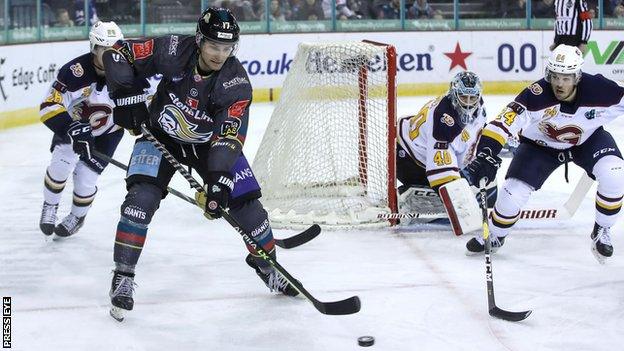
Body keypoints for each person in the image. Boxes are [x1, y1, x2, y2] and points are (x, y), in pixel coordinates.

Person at [100, 7, 299, 321]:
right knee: (140, 201)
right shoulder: (173, 50)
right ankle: (123, 276)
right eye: (213, 46)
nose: (219, 54)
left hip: (210, 147)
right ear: (199, 40)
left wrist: (219, 180)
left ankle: (267, 267)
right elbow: (117, 54)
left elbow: (229, 136)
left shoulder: (236, 84)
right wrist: (125, 96)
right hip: (161, 136)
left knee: (249, 210)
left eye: (226, 48)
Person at [462, 45, 624, 263]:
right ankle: (496, 235)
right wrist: (486, 153)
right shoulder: (535, 95)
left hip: (587, 140)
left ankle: (601, 229)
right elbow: (502, 123)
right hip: (539, 147)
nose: (559, 83)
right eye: (555, 76)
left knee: (616, 174)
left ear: (577, 76)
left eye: (566, 78)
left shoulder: (600, 89)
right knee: (511, 196)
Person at [38, 21, 142, 238]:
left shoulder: (132, 73)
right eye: (104, 50)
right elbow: (49, 106)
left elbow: (145, 103)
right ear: (94, 48)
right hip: (73, 129)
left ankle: (78, 216)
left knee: (85, 179)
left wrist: (139, 120)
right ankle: (50, 206)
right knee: (60, 165)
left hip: (108, 133)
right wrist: (70, 128)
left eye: (115, 50)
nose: (111, 57)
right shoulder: (74, 72)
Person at [396, 71, 495, 222]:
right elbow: (439, 170)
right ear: (454, 94)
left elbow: (477, 132)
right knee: (459, 194)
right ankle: (411, 197)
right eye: (463, 97)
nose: (468, 103)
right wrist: (461, 205)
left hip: (419, 146)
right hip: (407, 159)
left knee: (489, 187)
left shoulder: (479, 107)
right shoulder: (443, 118)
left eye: (472, 97)